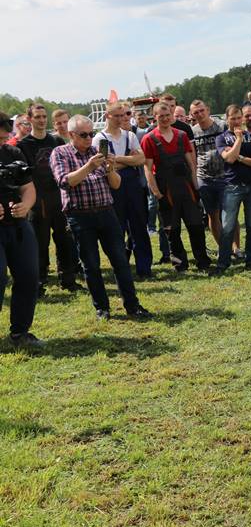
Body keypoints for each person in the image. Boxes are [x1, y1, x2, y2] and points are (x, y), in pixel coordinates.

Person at [50, 115, 150, 320]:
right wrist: (89, 166)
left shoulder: (98, 152)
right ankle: (102, 308)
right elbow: (65, 182)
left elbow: (115, 184)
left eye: (91, 134)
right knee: (91, 265)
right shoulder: (60, 153)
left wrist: (110, 168)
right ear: (71, 135)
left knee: (120, 261)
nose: (89, 138)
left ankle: (132, 305)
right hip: (80, 216)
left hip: (106, 212)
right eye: (84, 135)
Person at [141, 101, 212, 273]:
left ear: (172, 115)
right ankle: (180, 264)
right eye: (161, 116)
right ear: (155, 117)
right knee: (172, 231)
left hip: (186, 187)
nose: (165, 119)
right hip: (166, 189)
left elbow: (192, 164)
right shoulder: (149, 139)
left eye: (168, 115)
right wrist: (157, 193)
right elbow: (147, 168)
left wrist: (196, 189)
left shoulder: (181, 135)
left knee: (195, 226)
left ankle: (202, 261)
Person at [18, 105, 78, 294]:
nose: (42, 120)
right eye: (37, 117)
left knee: (64, 240)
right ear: (30, 119)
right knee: (39, 244)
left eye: (44, 116)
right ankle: (39, 282)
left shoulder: (56, 140)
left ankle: (67, 279)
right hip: (37, 201)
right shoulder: (22, 146)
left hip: (59, 197)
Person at [93, 102, 152, 278]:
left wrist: (116, 159)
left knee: (139, 226)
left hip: (133, 185)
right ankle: (121, 267)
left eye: (123, 115)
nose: (121, 119)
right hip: (112, 186)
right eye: (116, 116)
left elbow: (141, 159)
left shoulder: (130, 135)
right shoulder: (99, 138)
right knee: (116, 228)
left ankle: (144, 267)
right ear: (107, 116)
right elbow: (102, 165)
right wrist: (128, 159)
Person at [0, 112, 41, 350]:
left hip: (17, 226)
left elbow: (28, 187)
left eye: (6, 135)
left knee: (28, 276)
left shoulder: (13, 152)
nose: (6, 138)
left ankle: (20, 332)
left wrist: (26, 205)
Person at [215, 105, 251, 272]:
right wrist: (238, 140)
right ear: (226, 119)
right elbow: (229, 158)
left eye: (238, 118)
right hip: (232, 186)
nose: (236, 121)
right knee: (228, 226)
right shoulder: (221, 138)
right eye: (233, 118)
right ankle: (223, 262)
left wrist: (241, 157)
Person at [189, 99, 227, 246]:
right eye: (195, 112)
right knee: (212, 214)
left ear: (208, 110)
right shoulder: (192, 132)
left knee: (229, 214)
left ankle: (236, 248)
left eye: (201, 110)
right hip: (204, 178)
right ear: (192, 115)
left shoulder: (221, 126)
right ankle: (222, 247)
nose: (199, 114)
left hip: (224, 175)